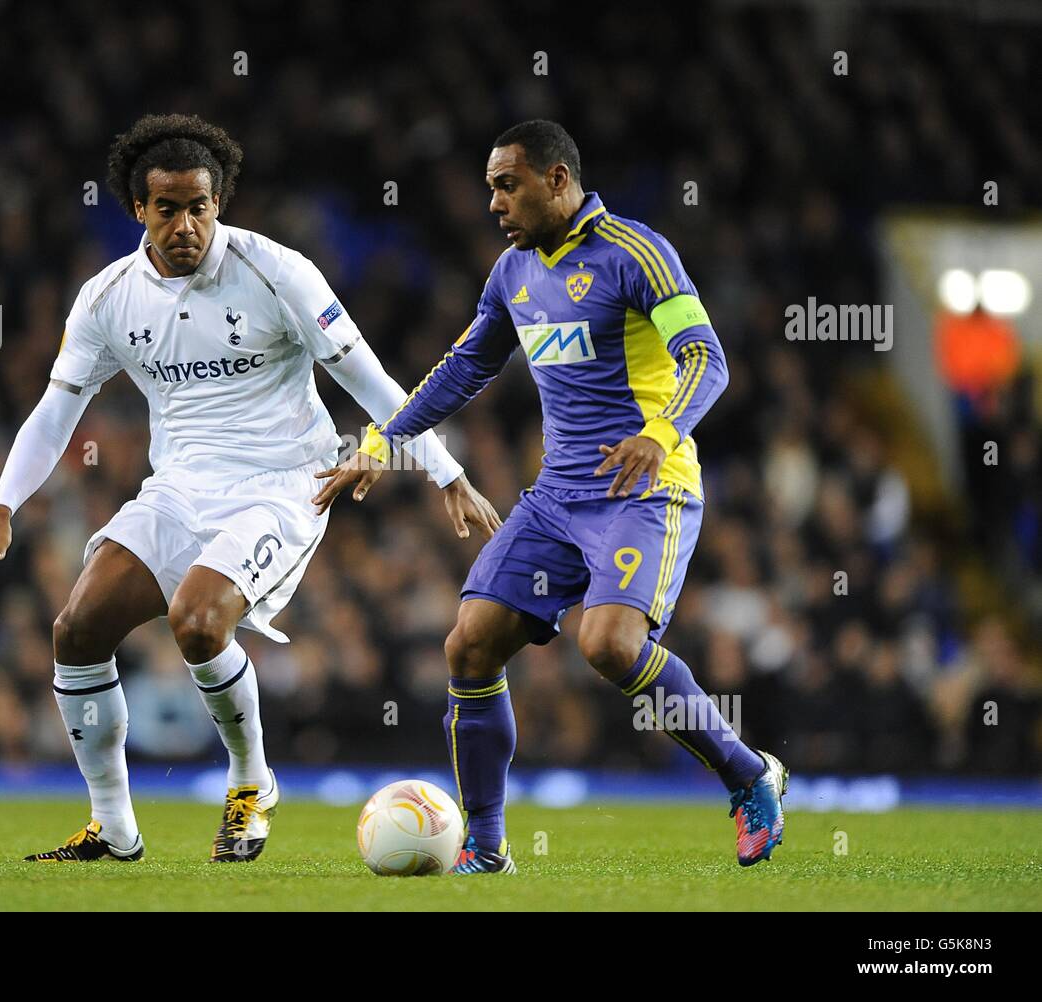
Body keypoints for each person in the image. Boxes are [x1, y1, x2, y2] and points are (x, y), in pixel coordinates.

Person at [0, 113, 499, 863]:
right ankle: (113, 827)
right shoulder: (108, 298)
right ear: (139, 211)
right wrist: (0, 504)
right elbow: (57, 411)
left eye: (200, 206)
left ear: (219, 202)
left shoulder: (278, 270)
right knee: (75, 631)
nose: (187, 224)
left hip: (283, 485)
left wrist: (447, 472)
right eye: (168, 208)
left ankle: (251, 781)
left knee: (199, 621)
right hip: (178, 487)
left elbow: (366, 375)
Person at [313, 120, 788, 872]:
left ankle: (748, 775)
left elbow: (707, 357)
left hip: (646, 488)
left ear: (557, 179)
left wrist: (659, 435)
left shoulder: (637, 255)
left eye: (509, 185)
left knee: (608, 645)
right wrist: (378, 444)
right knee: (469, 642)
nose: (495, 203)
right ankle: (486, 843)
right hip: (557, 497)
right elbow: (463, 368)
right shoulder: (512, 273)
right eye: (491, 188)